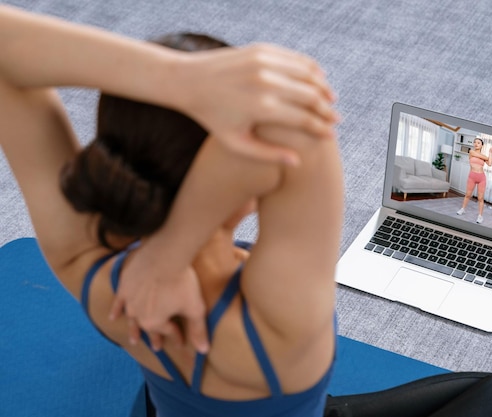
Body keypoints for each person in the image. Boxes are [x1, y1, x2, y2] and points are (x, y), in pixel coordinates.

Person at [0, 4, 339, 354]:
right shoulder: (278, 323)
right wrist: (166, 257)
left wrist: (173, 78)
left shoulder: (83, 262)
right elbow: (293, 124)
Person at [456, 137, 492, 224]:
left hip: (481, 178)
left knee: (480, 198)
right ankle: (463, 209)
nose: (476, 144)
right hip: (472, 177)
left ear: (482, 145)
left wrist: (490, 153)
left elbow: (490, 163)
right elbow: (486, 158)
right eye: (475, 142)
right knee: (468, 195)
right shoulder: (471, 152)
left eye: (478, 143)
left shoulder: (484, 156)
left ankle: (480, 216)